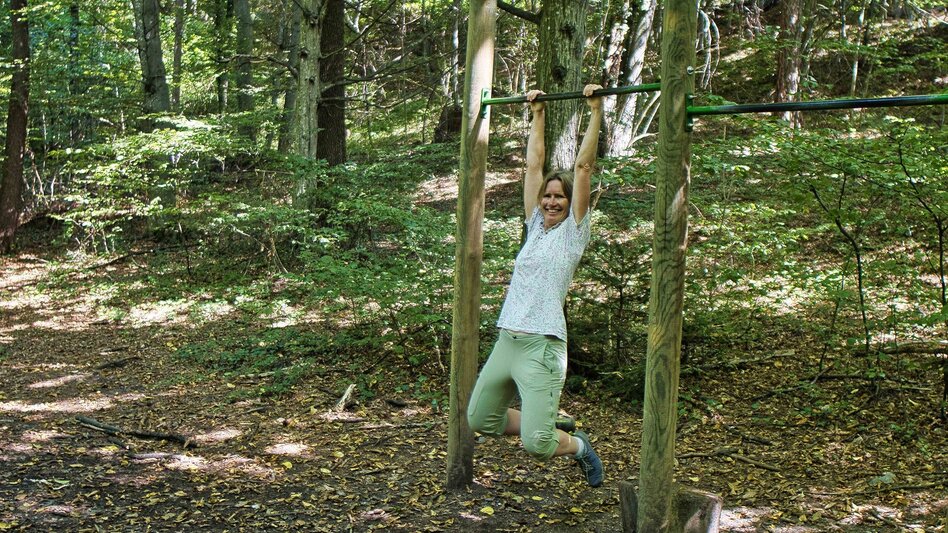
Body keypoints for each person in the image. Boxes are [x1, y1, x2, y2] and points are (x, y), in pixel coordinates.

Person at [467, 84, 604, 487]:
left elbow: (583, 169)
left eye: (559, 197)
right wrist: (538, 115)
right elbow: (532, 167)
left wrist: (595, 111)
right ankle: (544, 419)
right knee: (481, 418)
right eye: (547, 195)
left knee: (539, 445)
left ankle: (579, 446)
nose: (551, 201)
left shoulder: (573, 233)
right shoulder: (533, 229)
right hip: (507, 339)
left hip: (542, 346)